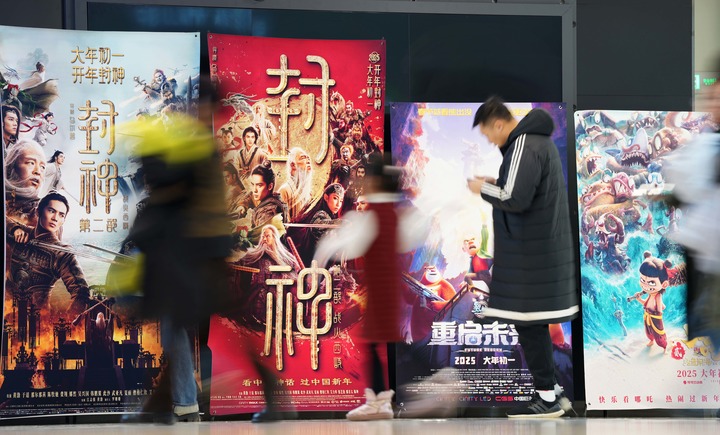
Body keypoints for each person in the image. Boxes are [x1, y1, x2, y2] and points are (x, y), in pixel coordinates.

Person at [122, 82, 233, 424]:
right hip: (191, 253)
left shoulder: (199, 149)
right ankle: (173, 403)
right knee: (175, 324)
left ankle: (179, 401)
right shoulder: (198, 145)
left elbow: (189, 200)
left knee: (178, 324)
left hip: (194, 255)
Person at [467, 96, 578, 418]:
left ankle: (547, 399)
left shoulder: (523, 144)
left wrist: (482, 188)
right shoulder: (536, 143)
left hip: (532, 258)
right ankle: (555, 393)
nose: (490, 140)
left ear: (499, 124)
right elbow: (524, 191)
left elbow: (514, 198)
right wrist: (495, 184)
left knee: (529, 326)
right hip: (540, 255)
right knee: (534, 325)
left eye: (488, 133)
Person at [316, 153, 404, 421]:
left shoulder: (377, 214)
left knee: (378, 344)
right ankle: (380, 400)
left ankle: (380, 401)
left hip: (380, 290)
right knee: (378, 343)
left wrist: (324, 252)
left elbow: (348, 244)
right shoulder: (390, 212)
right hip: (384, 289)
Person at [6, 192, 91, 317]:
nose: (55, 218)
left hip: (37, 319)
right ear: (38, 211)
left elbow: (82, 293)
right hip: (6, 311)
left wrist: (67, 322)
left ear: (63, 220)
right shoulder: (22, 232)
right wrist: (14, 229)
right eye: (51, 211)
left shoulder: (62, 253)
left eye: (61, 215)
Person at [5, 138, 46, 227]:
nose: (38, 171)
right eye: (31, 163)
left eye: (42, 167)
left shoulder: (43, 212)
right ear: (11, 168)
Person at [249, 161, 287, 233]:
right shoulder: (273, 202)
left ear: (270, 186)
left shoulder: (267, 211)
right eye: (252, 184)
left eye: (259, 185)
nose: (254, 190)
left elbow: (264, 237)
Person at [277, 147, 314, 221]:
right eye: (303, 158)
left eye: (308, 158)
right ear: (293, 165)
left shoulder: (309, 193)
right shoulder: (284, 191)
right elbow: (283, 222)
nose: (308, 161)